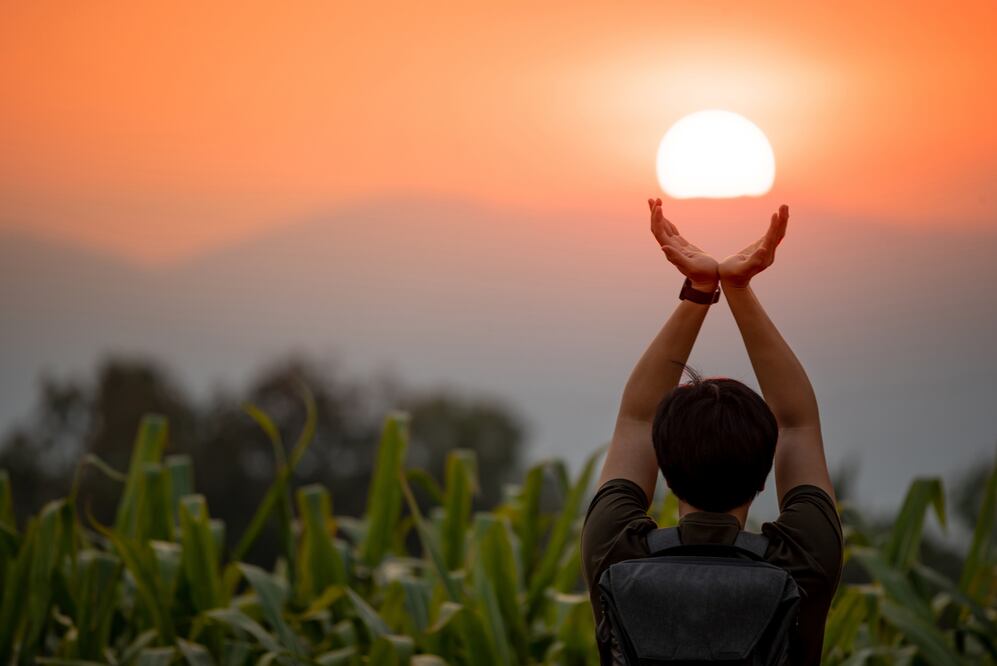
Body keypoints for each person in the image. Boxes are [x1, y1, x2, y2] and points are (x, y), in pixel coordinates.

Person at [581, 199, 844, 666]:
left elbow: (636, 419)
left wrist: (700, 290)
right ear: (765, 475)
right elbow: (798, 423)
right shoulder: (803, 562)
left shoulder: (616, 553)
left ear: (664, 471)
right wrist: (738, 288)